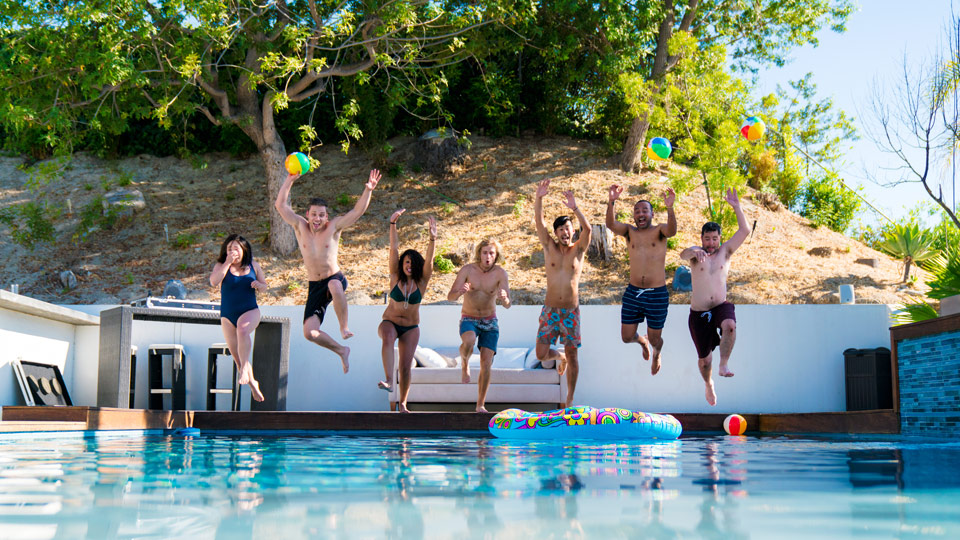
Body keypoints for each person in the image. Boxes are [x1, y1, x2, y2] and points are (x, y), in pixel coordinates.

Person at [274, 168, 381, 374]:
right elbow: (280, 205)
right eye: (313, 214)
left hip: (334, 278)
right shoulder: (299, 225)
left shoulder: (333, 227)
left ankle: (344, 327)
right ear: (307, 214)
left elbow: (356, 212)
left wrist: (368, 190)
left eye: (321, 215)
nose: (317, 219)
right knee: (310, 333)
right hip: (315, 286)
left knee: (333, 285)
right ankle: (342, 350)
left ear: (326, 216)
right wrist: (289, 180)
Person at [679, 188, 749, 406]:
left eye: (714, 239)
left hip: (720, 305)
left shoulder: (725, 253)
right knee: (704, 360)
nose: (710, 243)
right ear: (702, 238)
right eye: (706, 239)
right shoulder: (695, 255)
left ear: (720, 239)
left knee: (729, 325)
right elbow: (682, 254)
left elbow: (745, 230)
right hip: (699, 313)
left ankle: (724, 364)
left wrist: (737, 207)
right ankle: (709, 384)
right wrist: (693, 250)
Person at [605, 184, 676, 375]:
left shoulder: (660, 231)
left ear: (652, 214)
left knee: (655, 339)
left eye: (645, 210)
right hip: (633, 291)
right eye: (637, 211)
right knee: (626, 337)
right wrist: (612, 201)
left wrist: (670, 207)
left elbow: (672, 230)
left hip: (657, 294)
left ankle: (657, 351)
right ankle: (641, 341)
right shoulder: (630, 232)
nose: (640, 213)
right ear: (634, 216)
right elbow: (610, 225)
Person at [533, 178, 592, 408]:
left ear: (572, 231)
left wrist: (574, 208)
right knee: (541, 354)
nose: (564, 232)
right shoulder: (549, 248)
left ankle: (569, 399)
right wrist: (539, 198)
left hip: (570, 311)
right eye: (560, 229)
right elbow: (539, 221)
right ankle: (560, 357)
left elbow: (587, 229)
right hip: (550, 310)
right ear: (556, 233)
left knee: (575, 356)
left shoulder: (579, 250)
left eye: (567, 228)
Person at [377, 209, 438, 413]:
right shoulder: (394, 276)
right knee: (387, 337)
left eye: (412, 262)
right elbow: (393, 249)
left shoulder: (422, 282)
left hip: (411, 327)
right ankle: (388, 379)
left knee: (405, 366)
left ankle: (403, 404)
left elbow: (430, 261)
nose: (409, 265)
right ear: (402, 264)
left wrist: (432, 239)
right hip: (390, 323)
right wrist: (393, 224)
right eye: (406, 262)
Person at [447, 238, 511, 413]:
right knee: (469, 341)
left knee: (486, 362)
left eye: (491, 253)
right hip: (469, 318)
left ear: (496, 255)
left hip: (490, 321)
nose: (488, 256)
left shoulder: (500, 274)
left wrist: (504, 298)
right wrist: (460, 292)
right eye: (485, 252)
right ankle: (465, 363)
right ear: (479, 253)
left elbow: (507, 304)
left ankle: (480, 404)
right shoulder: (468, 270)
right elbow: (450, 297)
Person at [209, 234, 267, 402]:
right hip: (227, 315)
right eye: (229, 249)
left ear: (244, 250)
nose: (232, 251)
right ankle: (253, 383)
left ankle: (245, 371)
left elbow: (264, 287)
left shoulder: (254, 266)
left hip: (249, 310)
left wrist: (259, 285)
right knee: (237, 357)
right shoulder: (221, 265)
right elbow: (213, 282)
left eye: (236, 248)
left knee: (243, 330)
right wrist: (227, 262)